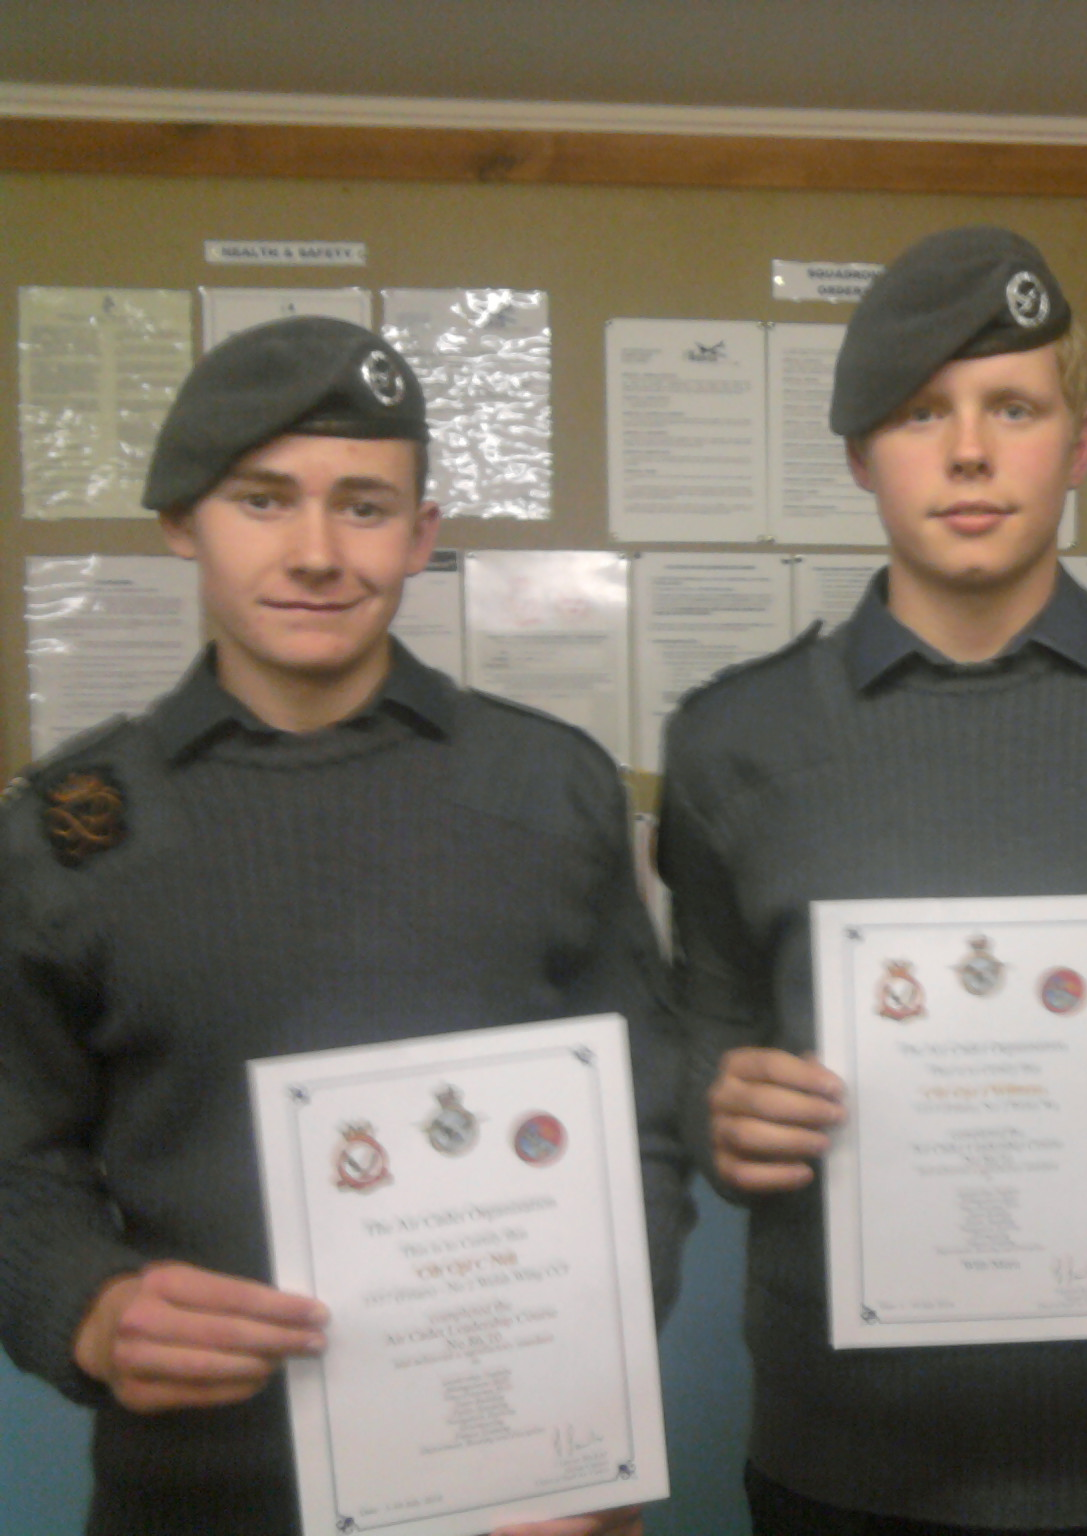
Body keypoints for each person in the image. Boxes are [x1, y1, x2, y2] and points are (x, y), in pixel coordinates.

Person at [657, 226, 1087, 1535]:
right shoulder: (731, 740)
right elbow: (702, 1020)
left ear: (1079, 446)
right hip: (838, 1471)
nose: (969, 453)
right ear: (861, 454)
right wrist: (715, 1100)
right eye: (922, 413)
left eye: (1013, 407)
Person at [0, 316, 690, 1536]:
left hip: (512, 1491)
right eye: (263, 500)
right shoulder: (66, 833)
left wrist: (586, 1411)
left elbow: (641, 1129)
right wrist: (85, 1306)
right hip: (194, 1496)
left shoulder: (550, 789)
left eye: (364, 506)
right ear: (181, 521)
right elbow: (15, 1157)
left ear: (421, 536)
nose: (316, 552)